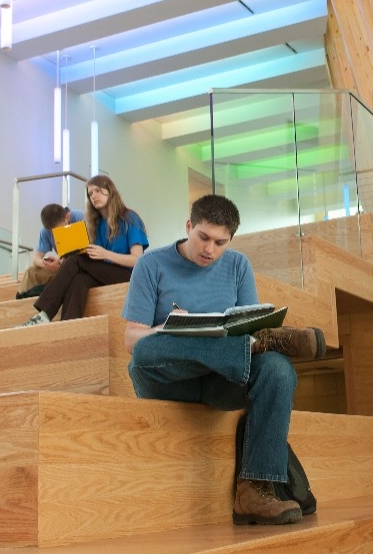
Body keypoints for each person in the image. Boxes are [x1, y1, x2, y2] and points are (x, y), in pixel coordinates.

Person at [121, 194, 327, 526]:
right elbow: (131, 340)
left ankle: (255, 492)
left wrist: (241, 338)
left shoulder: (238, 265)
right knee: (145, 351)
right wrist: (165, 330)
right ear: (189, 227)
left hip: (223, 379)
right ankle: (261, 345)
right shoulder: (152, 264)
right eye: (203, 237)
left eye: (220, 242)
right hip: (170, 379)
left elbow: (248, 324)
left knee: (277, 368)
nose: (210, 249)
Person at [22, 174, 148, 325]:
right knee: (79, 279)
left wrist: (105, 254)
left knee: (76, 261)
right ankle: (68, 325)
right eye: (90, 194)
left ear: (110, 191)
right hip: (105, 272)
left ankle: (45, 313)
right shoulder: (96, 224)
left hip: (128, 274)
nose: (94, 196)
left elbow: (137, 260)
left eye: (98, 190)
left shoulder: (129, 218)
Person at [17, 203, 84, 297]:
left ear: (67, 217)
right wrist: (45, 264)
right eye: (53, 232)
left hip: (82, 266)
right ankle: (21, 300)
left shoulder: (82, 218)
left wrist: (61, 263)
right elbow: (36, 258)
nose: (56, 234)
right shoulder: (45, 232)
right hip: (63, 267)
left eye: (59, 230)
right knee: (31, 271)